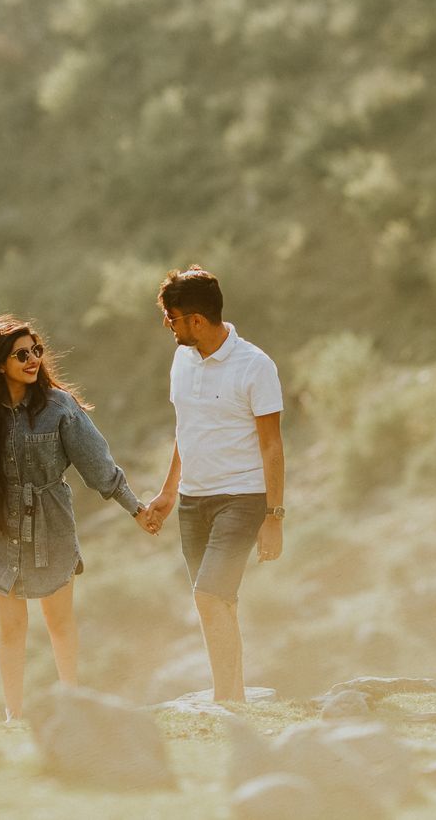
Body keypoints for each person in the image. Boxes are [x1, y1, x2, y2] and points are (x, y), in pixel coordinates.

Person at [0, 315, 155, 720]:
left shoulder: (60, 407)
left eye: (36, 351)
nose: (33, 360)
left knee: (59, 624)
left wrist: (135, 507)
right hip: (0, 529)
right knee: (11, 631)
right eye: (21, 354)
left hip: (51, 526)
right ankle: (14, 714)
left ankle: (73, 705)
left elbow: (98, 464)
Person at [146, 267, 285, 703]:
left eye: (172, 318)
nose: (168, 326)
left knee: (209, 595)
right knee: (216, 602)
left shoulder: (255, 366)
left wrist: (274, 516)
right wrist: (170, 491)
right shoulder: (181, 361)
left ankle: (226, 700)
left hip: (242, 498)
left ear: (197, 321)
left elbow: (272, 446)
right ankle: (233, 695)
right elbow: (186, 429)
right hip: (193, 501)